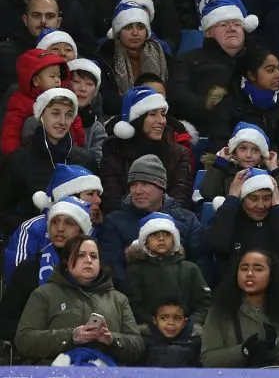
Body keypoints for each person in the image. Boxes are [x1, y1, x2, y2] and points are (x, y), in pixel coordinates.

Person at [15, 234, 145, 365]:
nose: (88, 260)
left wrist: (112, 340)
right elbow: (23, 341)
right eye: (81, 255)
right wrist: (70, 337)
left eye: (94, 256)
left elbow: (137, 346)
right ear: (66, 260)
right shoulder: (44, 294)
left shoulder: (118, 299)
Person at [99, 154, 207, 288]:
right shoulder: (114, 221)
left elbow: (200, 267)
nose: (137, 191)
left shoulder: (187, 220)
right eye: (133, 185)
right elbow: (112, 267)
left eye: (144, 184)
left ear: (161, 186)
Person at [0, 88, 94, 234]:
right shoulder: (18, 161)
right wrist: (34, 229)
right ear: (41, 115)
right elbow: (4, 211)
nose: (62, 121)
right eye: (55, 113)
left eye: (69, 115)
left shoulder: (85, 160)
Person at [0, 196, 93, 341]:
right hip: (38, 352)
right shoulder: (30, 269)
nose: (60, 228)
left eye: (69, 223)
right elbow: (5, 322)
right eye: (54, 222)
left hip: (88, 349)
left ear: (82, 230)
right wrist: (46, 336)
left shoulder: (95, 268)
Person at [201, 249, 279, 368]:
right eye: (244, 268)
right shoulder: (220, 310)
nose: (249, 274)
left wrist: (277, 346)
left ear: (272, 274)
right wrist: (243, 351)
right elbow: (208, 359)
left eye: (258, 269)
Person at [168, 0, 258, 133]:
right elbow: (179, 98)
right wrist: (212, 107)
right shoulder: (186, 60)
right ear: (208, 32)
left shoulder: (258, 60)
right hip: (206, 133)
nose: (232, 28)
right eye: (223, 24)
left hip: (253, 136)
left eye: (237, 24)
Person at [99, 86, 192, 210]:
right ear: (137, 119)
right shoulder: (114, 150)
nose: (161, 121)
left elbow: (180, 201)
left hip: (165, 223)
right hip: (126, 222)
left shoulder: (178, 154)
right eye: (153, 114)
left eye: (163, 114)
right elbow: (112, 202)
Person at [206, 46, 279, 164]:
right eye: (270, 70)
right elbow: (219, 147)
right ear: (251, 75)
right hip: (233, 173)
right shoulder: (227, 105)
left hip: (273, 174)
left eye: (278, 69)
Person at [208, 168, 279, 275]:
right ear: (242, 198)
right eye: (253, 199)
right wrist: (231, 200)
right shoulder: (230, 217)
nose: (260, 206)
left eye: (266, 198)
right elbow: (216, 245)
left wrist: (278, 208)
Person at [124, 211, 211, 325]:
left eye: (166, 234)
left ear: (175, 238)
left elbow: (204, 302)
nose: (161, 239)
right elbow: (133, 306)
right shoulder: (135, 271)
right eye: (154, 235)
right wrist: (154, 323)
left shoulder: (190, 269)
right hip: (149, 333)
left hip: (187, 332)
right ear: (145, 241)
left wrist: (189, 323)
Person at [93, 1, 171, 114]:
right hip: (118, 116)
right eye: (128, 27)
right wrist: (137, 103)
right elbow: (104, 98)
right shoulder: (104, 56)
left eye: (140, 27)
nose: (135, 33)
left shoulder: (161, 53)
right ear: (118, 32)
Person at [141, 297, 202, 367]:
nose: (171, 323)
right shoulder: (144, 342)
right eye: (164, 318)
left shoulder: (196, 342)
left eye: (176, 318)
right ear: (155, 320)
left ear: (184, 323)